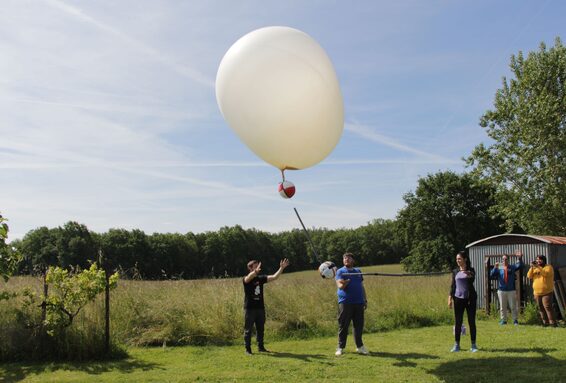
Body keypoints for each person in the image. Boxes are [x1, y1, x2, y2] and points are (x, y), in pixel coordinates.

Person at [243, 258, 290, 355]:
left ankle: (261, 347)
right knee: (248, 330)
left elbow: (274, 277)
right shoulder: (246, 279)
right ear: (250, 268)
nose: (258, 269)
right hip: (250, 309)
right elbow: (249, 277)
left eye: (258, 266)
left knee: (260, 329)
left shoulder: (261, 279)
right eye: (255, 267)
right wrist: (255, 272)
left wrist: (281, 268)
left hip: (260, 308)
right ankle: (248, 350)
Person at [335, 252, 368, 356]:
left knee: (358, 326)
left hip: (359, 302)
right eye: (344, 258)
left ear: (353, 260)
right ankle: (340, 347)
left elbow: (361, 286)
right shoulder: (340, 271)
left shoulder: (358, 271)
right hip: (345, 302)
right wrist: (346, 282)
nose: (346, 260)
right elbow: (340, 286)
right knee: (343, 325)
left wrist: (365, 299)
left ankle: (360, 347)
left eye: (348, 258)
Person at [448, 251, 478, 353]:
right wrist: (450, 298)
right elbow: (453, 286)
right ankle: (457, 345)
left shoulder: (471, 270)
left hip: (470, 299)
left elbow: (472, 277)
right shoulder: (455, 271)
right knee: (458, 322)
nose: (458, 261)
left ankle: (473, 345)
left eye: (459, 259)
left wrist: (468, 273)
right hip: (458, 299)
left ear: (465, 259)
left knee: (471, 321)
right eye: (457, 259)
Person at [490, 249, 524, 325]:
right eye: (503, 259)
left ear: (508, 260)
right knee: (502, 307)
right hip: (501, 290)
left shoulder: (512, 267)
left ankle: (515, 320)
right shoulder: (499, 267)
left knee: (513, 306)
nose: (504, 260)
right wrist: (495, 267)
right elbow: (491, 275)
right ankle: (503, 320)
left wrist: (520, 258)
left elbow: (521, 265)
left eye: (506, 259)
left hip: (511, 290)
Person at [527, 255, 557, 327]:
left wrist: (537, 267)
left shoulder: (549, 267)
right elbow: (529, 276)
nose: (538, 261)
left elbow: (545, 274)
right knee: (540, 308)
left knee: (547, 307)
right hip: (537, 293)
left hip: (547, 292)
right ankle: (545, 323)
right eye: (537, 259)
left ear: (544, 260)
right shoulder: (535, 268)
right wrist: (531, 267)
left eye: (540, 259)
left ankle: (552, 323)